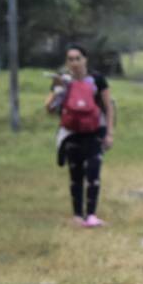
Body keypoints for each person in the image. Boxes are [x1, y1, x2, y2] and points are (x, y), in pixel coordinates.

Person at [46, 44, 115, 228]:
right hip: (71, 134)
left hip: (94, 132)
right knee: (75, 175)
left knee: (93, 173)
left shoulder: (97, 79)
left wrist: (109, 132)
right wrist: (58, 89)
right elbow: (50, 109)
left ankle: (91, 214)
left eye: (78, 58)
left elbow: (108, 106)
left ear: (85, 59)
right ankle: (77, 214)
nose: (74, 63)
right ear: (67, 61)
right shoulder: (62, 80)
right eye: (71, 59)